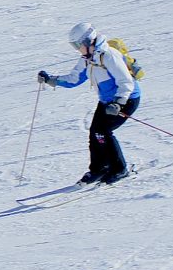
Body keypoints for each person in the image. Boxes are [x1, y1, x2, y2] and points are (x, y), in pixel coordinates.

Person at [37, 22, 142, 184]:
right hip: (107, 101)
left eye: (78, 45)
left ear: (87, 41)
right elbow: (74, 79)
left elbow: (126, 82)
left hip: (127, 99)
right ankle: (99, 168)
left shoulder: (109, 56)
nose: (77, 49)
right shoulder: (88, 59)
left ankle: (120, 169)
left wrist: (119, 103)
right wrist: (52, 80)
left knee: (103, 132)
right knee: (95, 131)